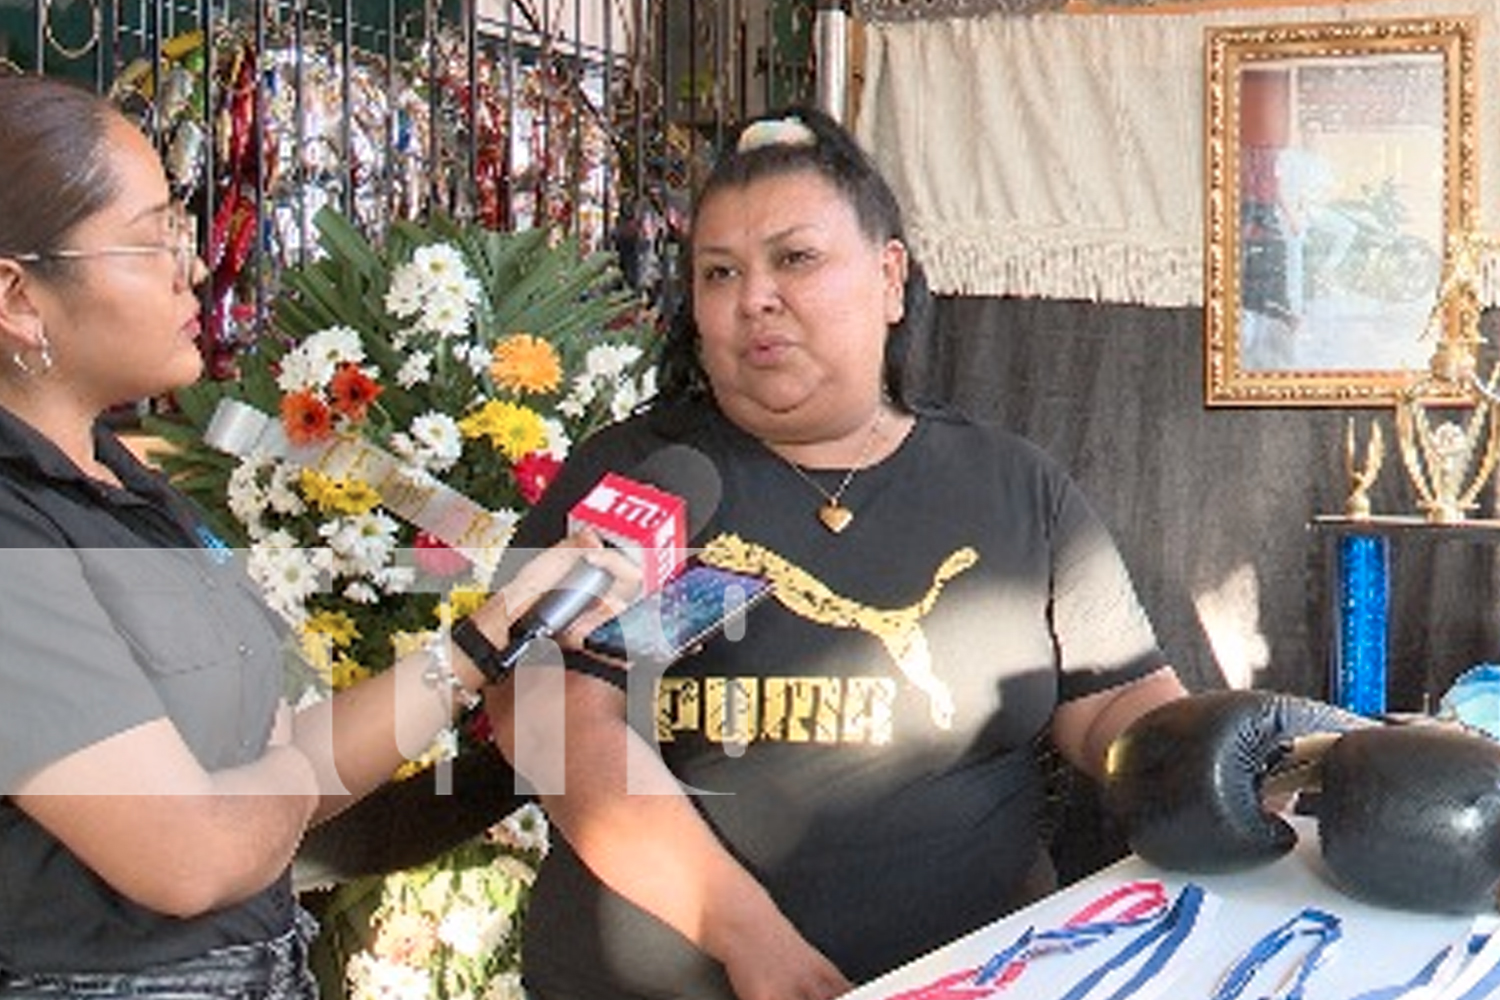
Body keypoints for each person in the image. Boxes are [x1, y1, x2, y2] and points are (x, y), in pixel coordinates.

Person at [484, 106, 1191, 1000]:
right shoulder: (628, 475)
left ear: (890, 277)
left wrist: (1225, 762)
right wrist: (745, 937)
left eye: (795, 259)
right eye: (719, 272)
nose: (755, 299)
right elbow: (547, 723)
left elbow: (1114, 698)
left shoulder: (1015, 483)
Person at [0, 73, 636, 997]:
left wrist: (485, 640)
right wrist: (284, 772)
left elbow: (278, 755)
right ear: (18, 296)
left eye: (184, 230)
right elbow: (193, 855)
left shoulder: (124, 487)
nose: (196, 268)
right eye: (150, 242)